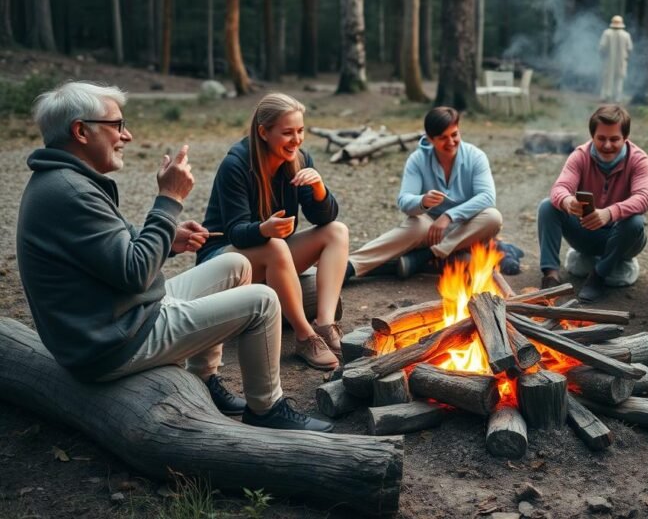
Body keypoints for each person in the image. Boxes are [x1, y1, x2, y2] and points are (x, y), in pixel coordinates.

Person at [17, 81, 331, 432]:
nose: (128, 135)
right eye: (117, 125)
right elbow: (135, 272)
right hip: (115, 340)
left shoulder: (67, 181)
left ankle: (205, 379)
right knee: (262, 301)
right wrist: (168, 200)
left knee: (236, 265)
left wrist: (170, 238)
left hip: (123, 314)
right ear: (81, 131)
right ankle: (267, 409)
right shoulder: (70, 191)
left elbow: (112, 247)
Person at [198, 93, 348, 371]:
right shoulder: (236, 165)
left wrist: (319, 190)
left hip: (271, 260)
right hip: (223, 263)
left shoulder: (300, 160)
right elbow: (235, 232)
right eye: (287, 132)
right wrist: (264, 229)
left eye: (301, 131)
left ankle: (325, 325)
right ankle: (305, 337)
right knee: (276, 245)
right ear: (264, 132)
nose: (297, 140)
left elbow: (323, 218)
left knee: (336, 232)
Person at [346, 107, 502, 279]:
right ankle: (350, 265)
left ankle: (427, 255)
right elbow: (404, 201)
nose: (450, 142)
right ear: (430, 139)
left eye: (454, 134)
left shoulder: (476, 157)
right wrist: (423, 201)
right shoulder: (417, 159)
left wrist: (449, 216)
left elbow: (487, 197)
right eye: (443, 137)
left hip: (467, 229)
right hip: (430, 230)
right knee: (416, 225)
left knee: (493, 217)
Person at [537, 105, 648, 302]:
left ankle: (598, 276)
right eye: (601, 138)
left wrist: (609, 213)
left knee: (634, 221)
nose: (607, 145)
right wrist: (567, 201)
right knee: (548, 206)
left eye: (614, 139)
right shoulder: (580, 155)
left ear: (625, 138)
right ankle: (551, 276)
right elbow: (559, 188)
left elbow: (644, 198)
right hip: (587, 231)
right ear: (592, 136)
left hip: (624, 239)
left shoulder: (639, 160)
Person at [599, 15, 633, 102]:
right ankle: (617, 97)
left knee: (607, 78)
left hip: (608, 61)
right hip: (621, 62)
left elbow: (602, 47)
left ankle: (605, 96)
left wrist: (603, 56)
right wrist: (626, 57)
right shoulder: (626, 35)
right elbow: (629, 48)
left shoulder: (607, 33)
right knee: (619, 79)